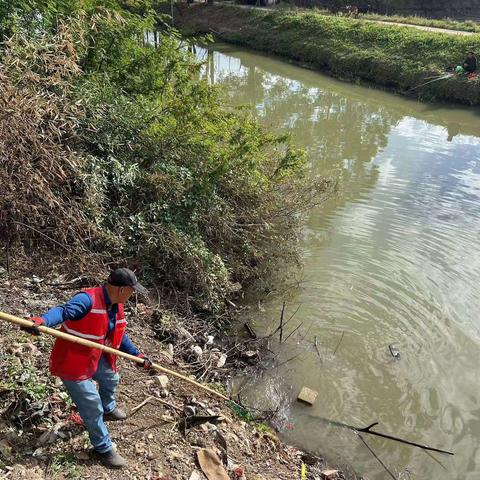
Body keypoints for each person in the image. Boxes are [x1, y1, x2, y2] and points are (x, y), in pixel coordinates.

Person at [22, 268, 152, 469]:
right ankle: (103, 448)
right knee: (92, 405)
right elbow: (63, 311)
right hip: (72, 362)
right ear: (122, 289)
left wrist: (138, 356)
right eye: (131, 291)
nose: (132, 295)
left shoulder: (116, 306)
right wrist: (42, 321)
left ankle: (108, 409)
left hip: (93, 355)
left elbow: (120, 334)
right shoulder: (87, 300)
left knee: (110, 377)